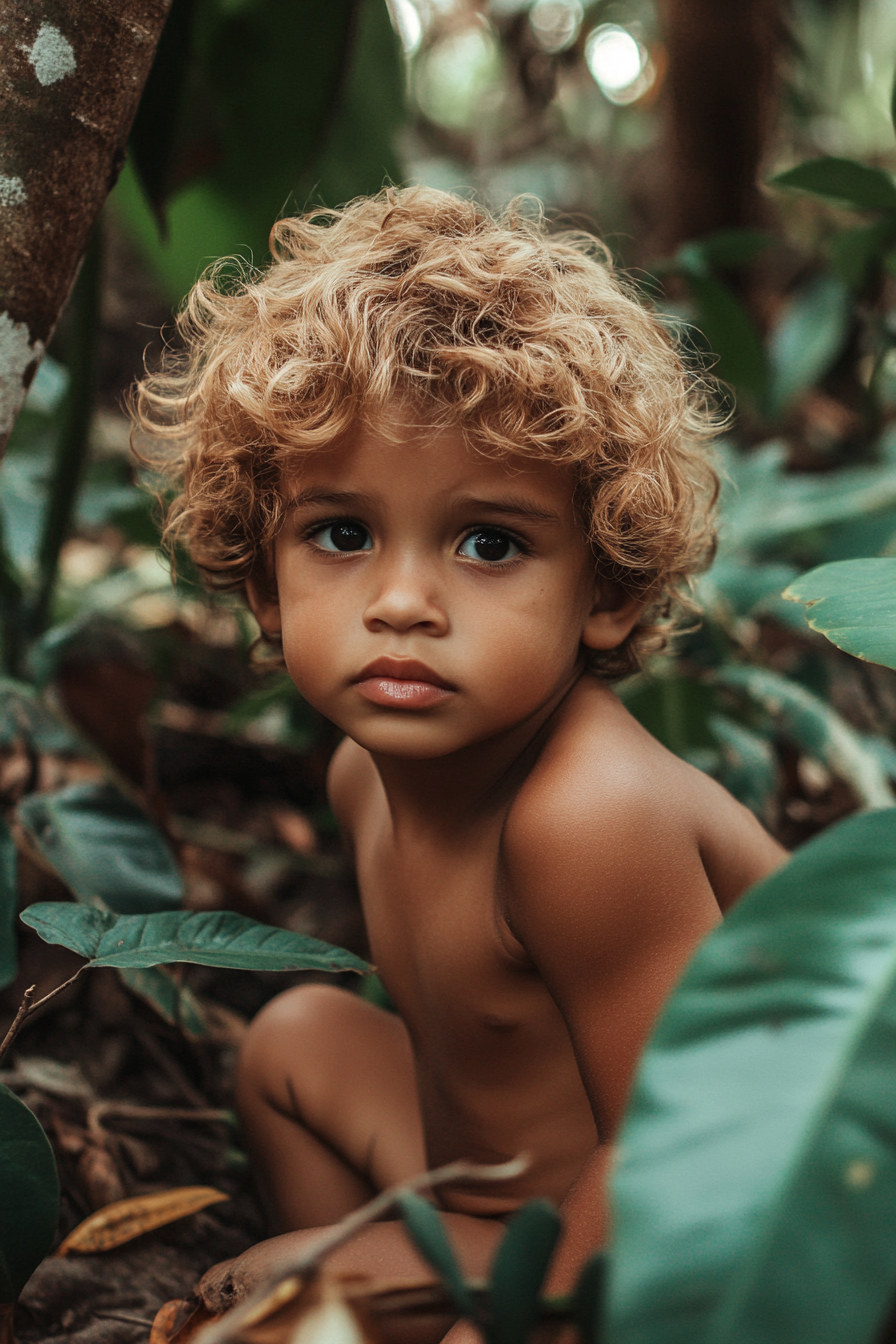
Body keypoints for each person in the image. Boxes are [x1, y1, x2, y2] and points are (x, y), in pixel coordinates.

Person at [133, 188, 786, 1339]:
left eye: (489, 543)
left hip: (721, 1221)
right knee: (295, 1045)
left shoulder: (587, 818)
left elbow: (687, 1156)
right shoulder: (357, 778)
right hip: (497, 1187)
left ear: (606, 587)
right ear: (262, 582)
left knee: (281, 1304)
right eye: (341, 534)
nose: (400, 604)